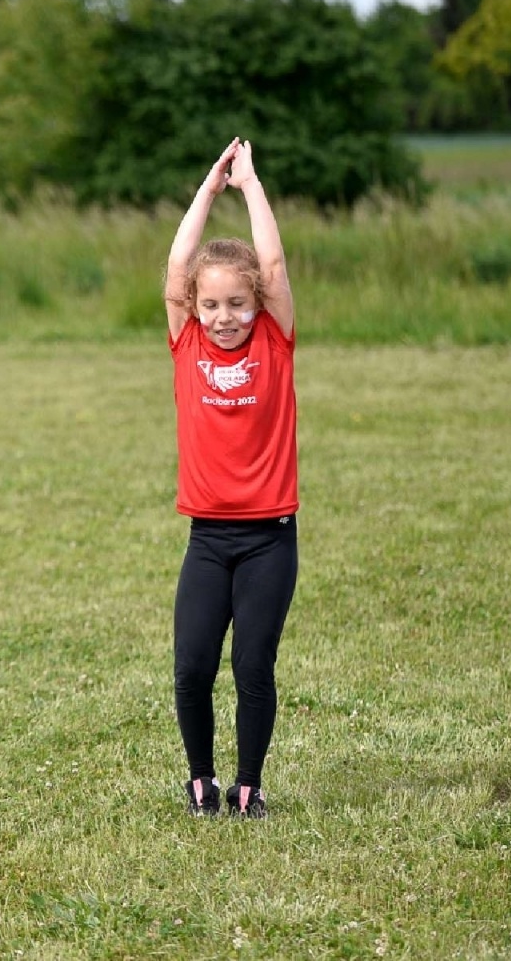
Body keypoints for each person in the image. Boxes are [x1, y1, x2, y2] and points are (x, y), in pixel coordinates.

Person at [163, 138, 298, 819]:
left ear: (257, 303)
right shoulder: (187, 341)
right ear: (194, 307)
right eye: (212, 306)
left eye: (238, 304)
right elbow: (179, 263)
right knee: (191, 667)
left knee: (251, 667)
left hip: (270, 539)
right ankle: (200, 781)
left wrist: (250, 187)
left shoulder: (274, 339)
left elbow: (270, 261)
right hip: (208, 540)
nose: (224, 319)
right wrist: (208, 188)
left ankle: (249, 785)